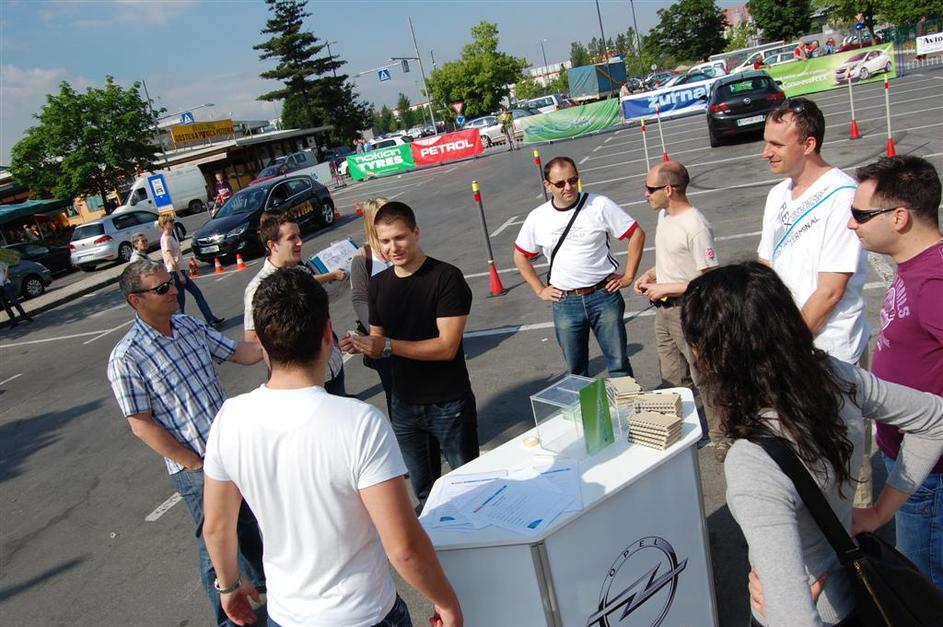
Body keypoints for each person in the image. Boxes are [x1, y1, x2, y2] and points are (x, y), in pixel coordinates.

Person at [680, 261, 943, 627]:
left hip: (820, 608)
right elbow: (934, 418)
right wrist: (881, 511)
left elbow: (794, 617)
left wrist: (787, 600)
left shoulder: (752, 463)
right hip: (855, 594)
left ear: (714, 355)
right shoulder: (836, 378)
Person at [203, 268, 463, 627]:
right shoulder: (359, 422)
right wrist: (446, 602)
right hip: (363, 613)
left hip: (285, 615)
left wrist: (228, 585)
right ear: (328, 333)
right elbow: (403, 547)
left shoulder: (230, 417)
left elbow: (217, 526)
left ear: (261, 342)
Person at [106, 260, 266, 627]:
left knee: (245, 520)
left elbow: (238, 353)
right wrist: (194, 464)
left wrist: (279, 345)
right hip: (195, 467)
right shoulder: (127, 357)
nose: (174, 290)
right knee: (214, 545)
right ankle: (228, 618)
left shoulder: (189, 326)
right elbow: (141, 425)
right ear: (136, 300)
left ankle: (261, 586)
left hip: (229, 452)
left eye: (173, 282)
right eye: (162, 288)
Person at [757, 97, 872, 503]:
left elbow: (830, 291)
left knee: (845, 456)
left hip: (831, 351)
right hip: (787, 348)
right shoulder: (778, 195)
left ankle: (857, 535)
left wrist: (786, 347)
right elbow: (765, 267)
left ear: (808, 144)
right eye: (766, 141)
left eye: (776, 144)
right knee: (801, 455)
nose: (765, 152)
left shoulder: (843, 196)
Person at [341, 202, 479, 508]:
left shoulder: (446, 277)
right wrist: (361, 343)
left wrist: (386, 345)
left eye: (400, 237)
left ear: (416, 232)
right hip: (404, 405)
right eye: (385, 241)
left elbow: (447, 347)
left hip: (448, 404)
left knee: (470, 488)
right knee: (426, 495)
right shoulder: (378, 285)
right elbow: (377, 338)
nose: (393, 247)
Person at [847, 155, 943, 588]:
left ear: (899, 217)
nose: (851, 223)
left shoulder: (934, 283)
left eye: (860, 214)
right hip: (910, 461)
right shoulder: (917, 266)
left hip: (928, 474)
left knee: (924, 586)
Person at [513, 156, 645, 378]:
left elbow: (636, 234)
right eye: (560, 183)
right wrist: (540, 289)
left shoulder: (599, 204)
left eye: (573, 180)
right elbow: (520, 256)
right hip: (566, 302)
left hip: (604, 296)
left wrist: (628, 276)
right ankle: (584, 402)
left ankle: (625, 400)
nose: (568, 187)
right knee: (576, 371)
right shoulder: (538, 218)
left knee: (619, 364)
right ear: (547, 185)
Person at [633, 161, 725, 457]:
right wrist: (651, 275)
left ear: (669, 189)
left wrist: (666, 287)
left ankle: (722, 437)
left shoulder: (695, 226)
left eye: (650, 189)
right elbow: (670, 261)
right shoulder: (664, 216)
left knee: (705, 377)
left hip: (689, 311)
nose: (646, 194)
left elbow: (710, 279)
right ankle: (685, 433)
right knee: (672, 376)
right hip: (664, 311)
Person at [243, 211, 348, 396]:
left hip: (332, 367)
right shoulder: (257, 288)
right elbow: (252, 340)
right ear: (272, 245)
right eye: (292, 238)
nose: (300, 242)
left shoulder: (302, 271)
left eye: (299, 236)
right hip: (302, 385)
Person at [349, 197, 395, 414]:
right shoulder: (363, 258)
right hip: (385, 342)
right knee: (396, 394)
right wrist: (378, 336)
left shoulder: (399, 248)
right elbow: (359, 299)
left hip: (414, 335)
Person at [159, 214, 225, 328]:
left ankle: (210, 319)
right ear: (164, 224)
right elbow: (170, 259)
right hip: (175, 273)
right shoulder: (166, 239)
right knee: (180, 302)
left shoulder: (170, 236)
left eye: (172, 220)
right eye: (170, 221)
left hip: (180, 271)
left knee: (197, 294)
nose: (173, 223)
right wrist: (180, 275)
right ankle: (180, 326)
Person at [0, 249, 33, 328]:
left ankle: (24, 316)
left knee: (15, 302)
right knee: (5, 305)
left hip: (5, 284)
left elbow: (6, 269)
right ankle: (14, 321)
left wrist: (4, 279)